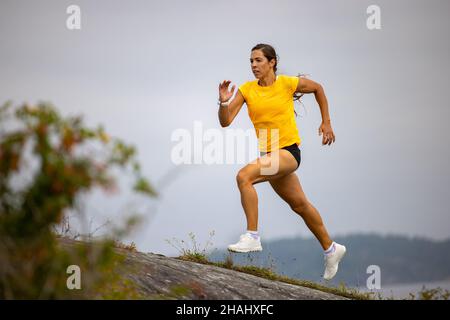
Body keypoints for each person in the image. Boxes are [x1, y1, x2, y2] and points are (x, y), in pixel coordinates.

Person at [217, 43, 346, 280]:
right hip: (270, 154)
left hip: (288, 152)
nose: (254, 65)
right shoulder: (247, 90)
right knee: (300, 206)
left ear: (272, 62)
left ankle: (252, 236)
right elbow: (225, 122)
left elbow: (318, 88)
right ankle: (331, 249)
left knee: (244, 176)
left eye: (258, 60)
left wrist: (326, 122)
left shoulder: (286, 83)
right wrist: (224, 102)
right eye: (251, 61)